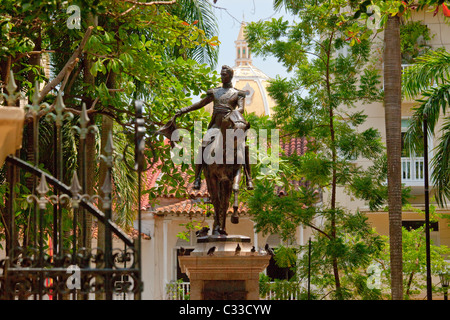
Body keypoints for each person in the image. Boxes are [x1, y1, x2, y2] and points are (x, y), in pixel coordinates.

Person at [175, 65, 253, 190]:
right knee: (204, 145)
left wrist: (231, 115)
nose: (222, 77)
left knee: (243, 146)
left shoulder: (238, 94)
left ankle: (249, 178)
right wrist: (184, 110)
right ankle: (197, 177)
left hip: (230, 126)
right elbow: (201, 103)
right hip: (216, 126)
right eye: (221, 74)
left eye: (224, 75)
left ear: (230, 76)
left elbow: (241, 108)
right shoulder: (215, 92)